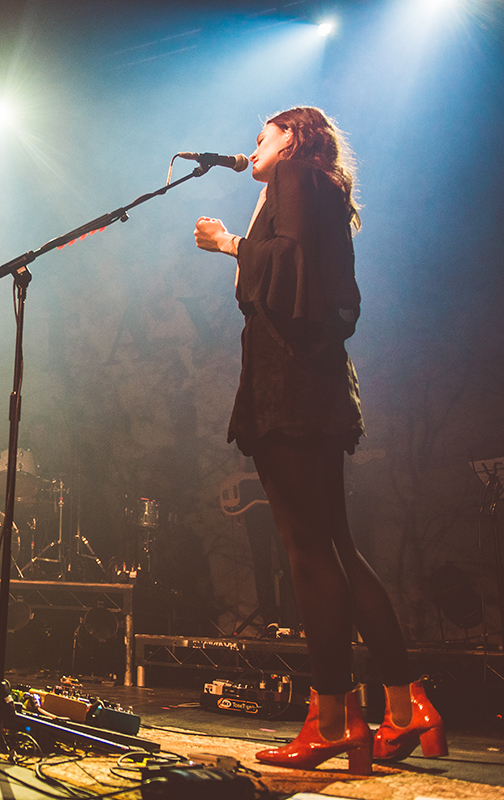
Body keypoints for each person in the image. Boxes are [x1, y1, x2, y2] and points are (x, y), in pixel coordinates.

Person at [194, 107, 445, 773]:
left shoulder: (297, 182)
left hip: (294, 388)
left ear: (296, 138)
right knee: (335, 547)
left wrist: (227, 245)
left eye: (264, 134)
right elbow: (291, 280)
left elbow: (292, 269)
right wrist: (241, 248)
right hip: (311, 380)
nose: (254, 145)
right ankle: (403, 704)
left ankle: (332, 718)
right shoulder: (310, 187)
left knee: (309, 555)